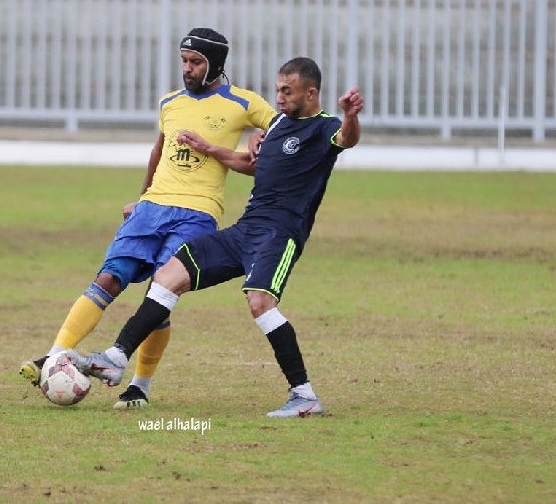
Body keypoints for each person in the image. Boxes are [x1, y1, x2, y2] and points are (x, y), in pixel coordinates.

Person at [66, 57, 363, 417]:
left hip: (279, 234)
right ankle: (115, 358)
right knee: (168, 275)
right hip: (245, 228)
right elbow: (249, 165)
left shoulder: (323, 128)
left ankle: (305, 395)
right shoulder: (279, 125)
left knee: (260, 303)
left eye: (288, 91)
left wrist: (350, 116)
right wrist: (210, 149)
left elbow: (347, 139)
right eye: (278, 89)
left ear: (311, 93)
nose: (280, 98)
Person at [19, 27, 277, 409]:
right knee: (108, 277)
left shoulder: (242, 102)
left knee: (159, 291)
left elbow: (282, 127)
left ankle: (139, 385)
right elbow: (158, 151)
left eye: (196, 62)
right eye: (184, 61)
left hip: (198, 213)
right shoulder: (170, 103)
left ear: (216, 64)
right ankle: (55, 357)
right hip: (152, 208)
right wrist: (141, 200)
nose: (187, 69)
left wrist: (262, 136)